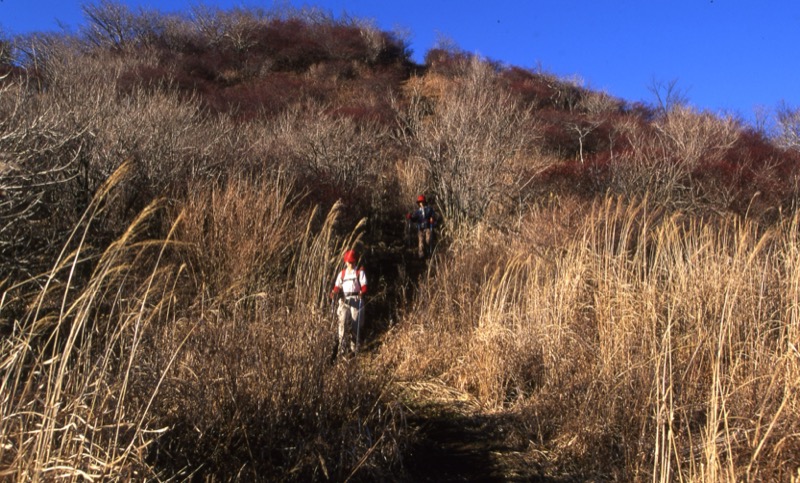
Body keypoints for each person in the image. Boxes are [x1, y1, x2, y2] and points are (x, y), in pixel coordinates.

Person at [330, 250, 367, 355]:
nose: (350, 264)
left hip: (356, 300)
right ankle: (341, 349)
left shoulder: (359, 272)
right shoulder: (342, 274)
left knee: (356, 326)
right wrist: (333, 293)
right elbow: (337, 287)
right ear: (345, 262)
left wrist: (362, 292)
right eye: (348, 262)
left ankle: (354, 349)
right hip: (345, 300)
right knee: (342, 323)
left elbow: (364, 286)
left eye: (352, 262)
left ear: (355, 261)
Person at [406, 194, 436, 258]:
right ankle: (421, 255)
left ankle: (429, 253)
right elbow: (414, 219)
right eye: (420, 202)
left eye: (422, 202)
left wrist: (432, 218)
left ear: (424, 202)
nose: (421, 204)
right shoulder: (417, 212)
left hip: (428, 227)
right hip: (420, 229)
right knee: (421, 241)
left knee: (428, 240)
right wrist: (410, 217)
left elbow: (433, 214)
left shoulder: (429, 209)